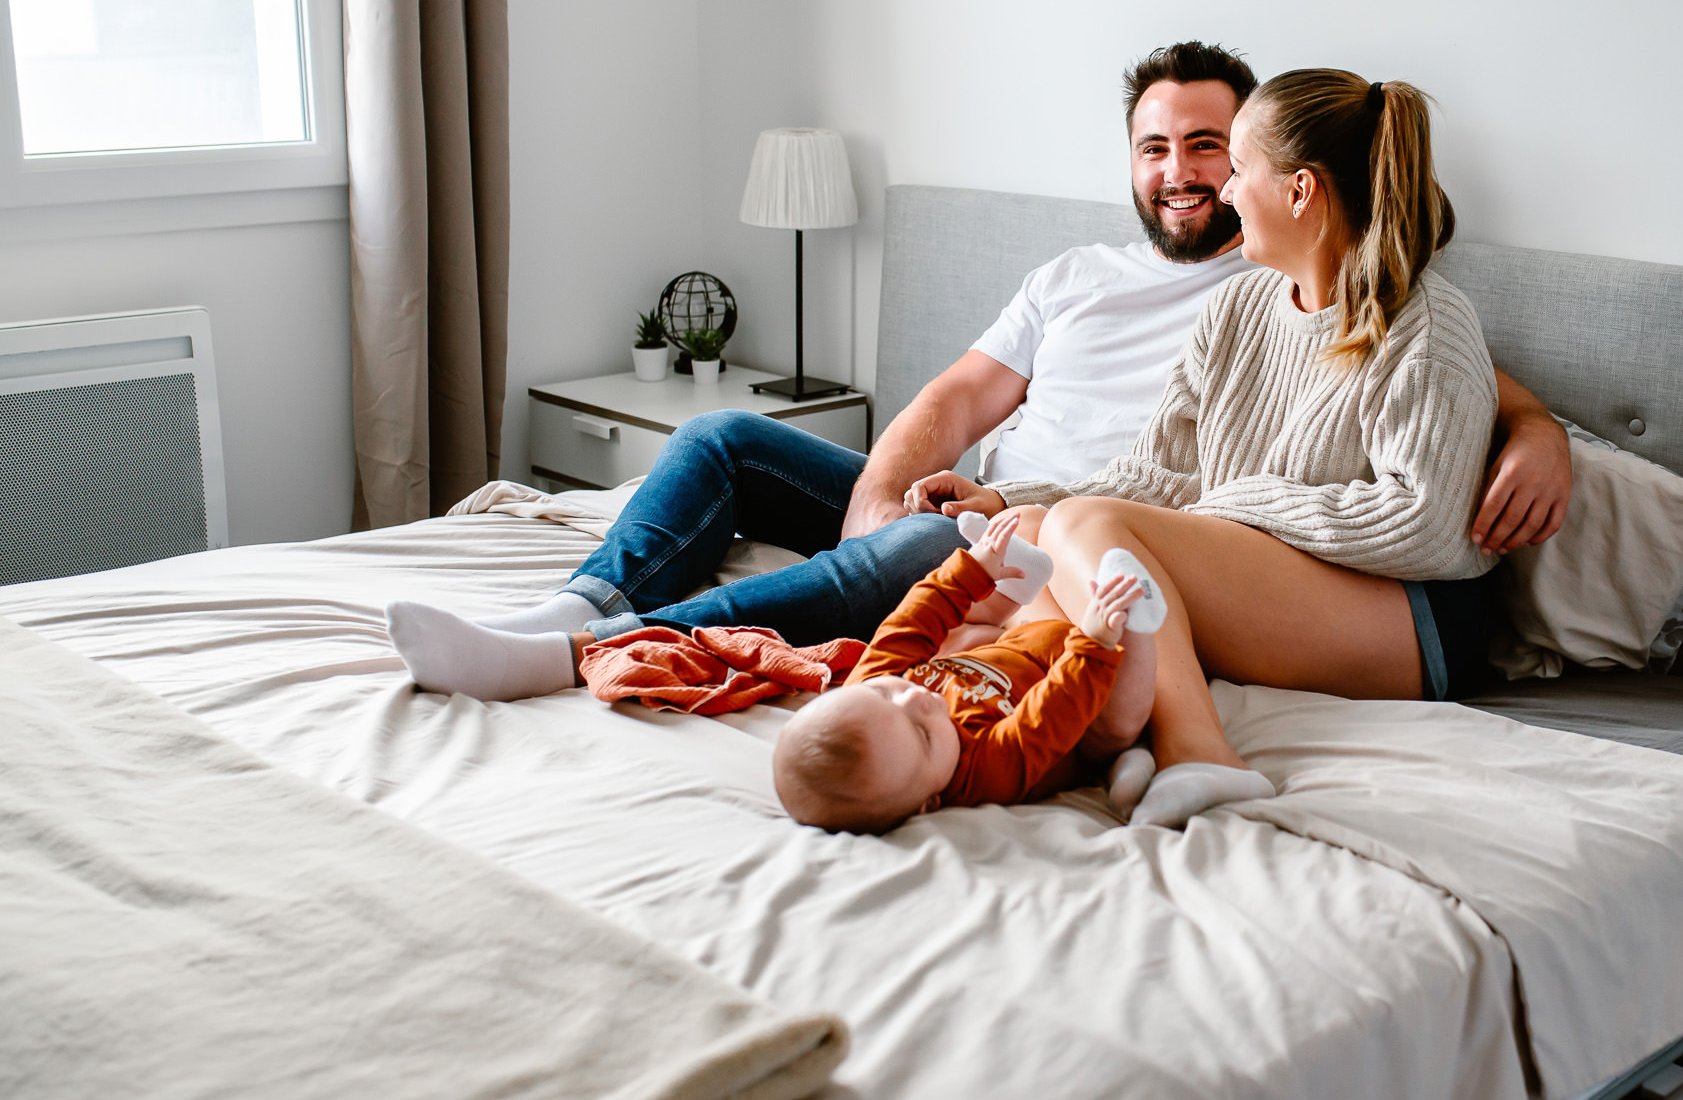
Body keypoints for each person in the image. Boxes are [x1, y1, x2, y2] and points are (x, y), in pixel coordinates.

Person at [385, 43, 1569, 697]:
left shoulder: (1311, 283)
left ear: (1279, 172)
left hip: (1091, 535)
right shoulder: (1084, 275)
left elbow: (1442, 388)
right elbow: (954, 399)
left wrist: (1543, 434)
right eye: (1157, 148)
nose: (1186, 172)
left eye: (1214, 146)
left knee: (930, 551)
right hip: (1028, 503)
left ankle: (604, 653)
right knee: (720, 437)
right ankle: (582, 605)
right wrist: (898, 491)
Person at [912, 69, 1508, 829]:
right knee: (1036, 537)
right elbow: (1161, 471)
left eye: (1240, 170)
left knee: (1089, 531)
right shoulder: (1236, 307)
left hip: (1416, 618)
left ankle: (1201, 751)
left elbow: (1421, 523)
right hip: (1279, 574)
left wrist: (1229, 506)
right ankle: (1101, 732)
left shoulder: (1428, 328)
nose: (1225, 193)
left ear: (1299, 193)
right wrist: (1010, 499)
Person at [773, 514, 1159, 834]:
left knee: (953, 635)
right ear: (931, 801)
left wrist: (969, 572)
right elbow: (1050, 716)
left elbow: (909, 625)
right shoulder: (980, 772)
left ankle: (1015, 578)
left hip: (1011, 646)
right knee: (1117, 723)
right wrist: (1093, 641)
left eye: (886, 695)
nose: (916, 698)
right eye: (922, 734)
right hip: (1078, 701)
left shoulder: (866, 689)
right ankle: (1135, 614)